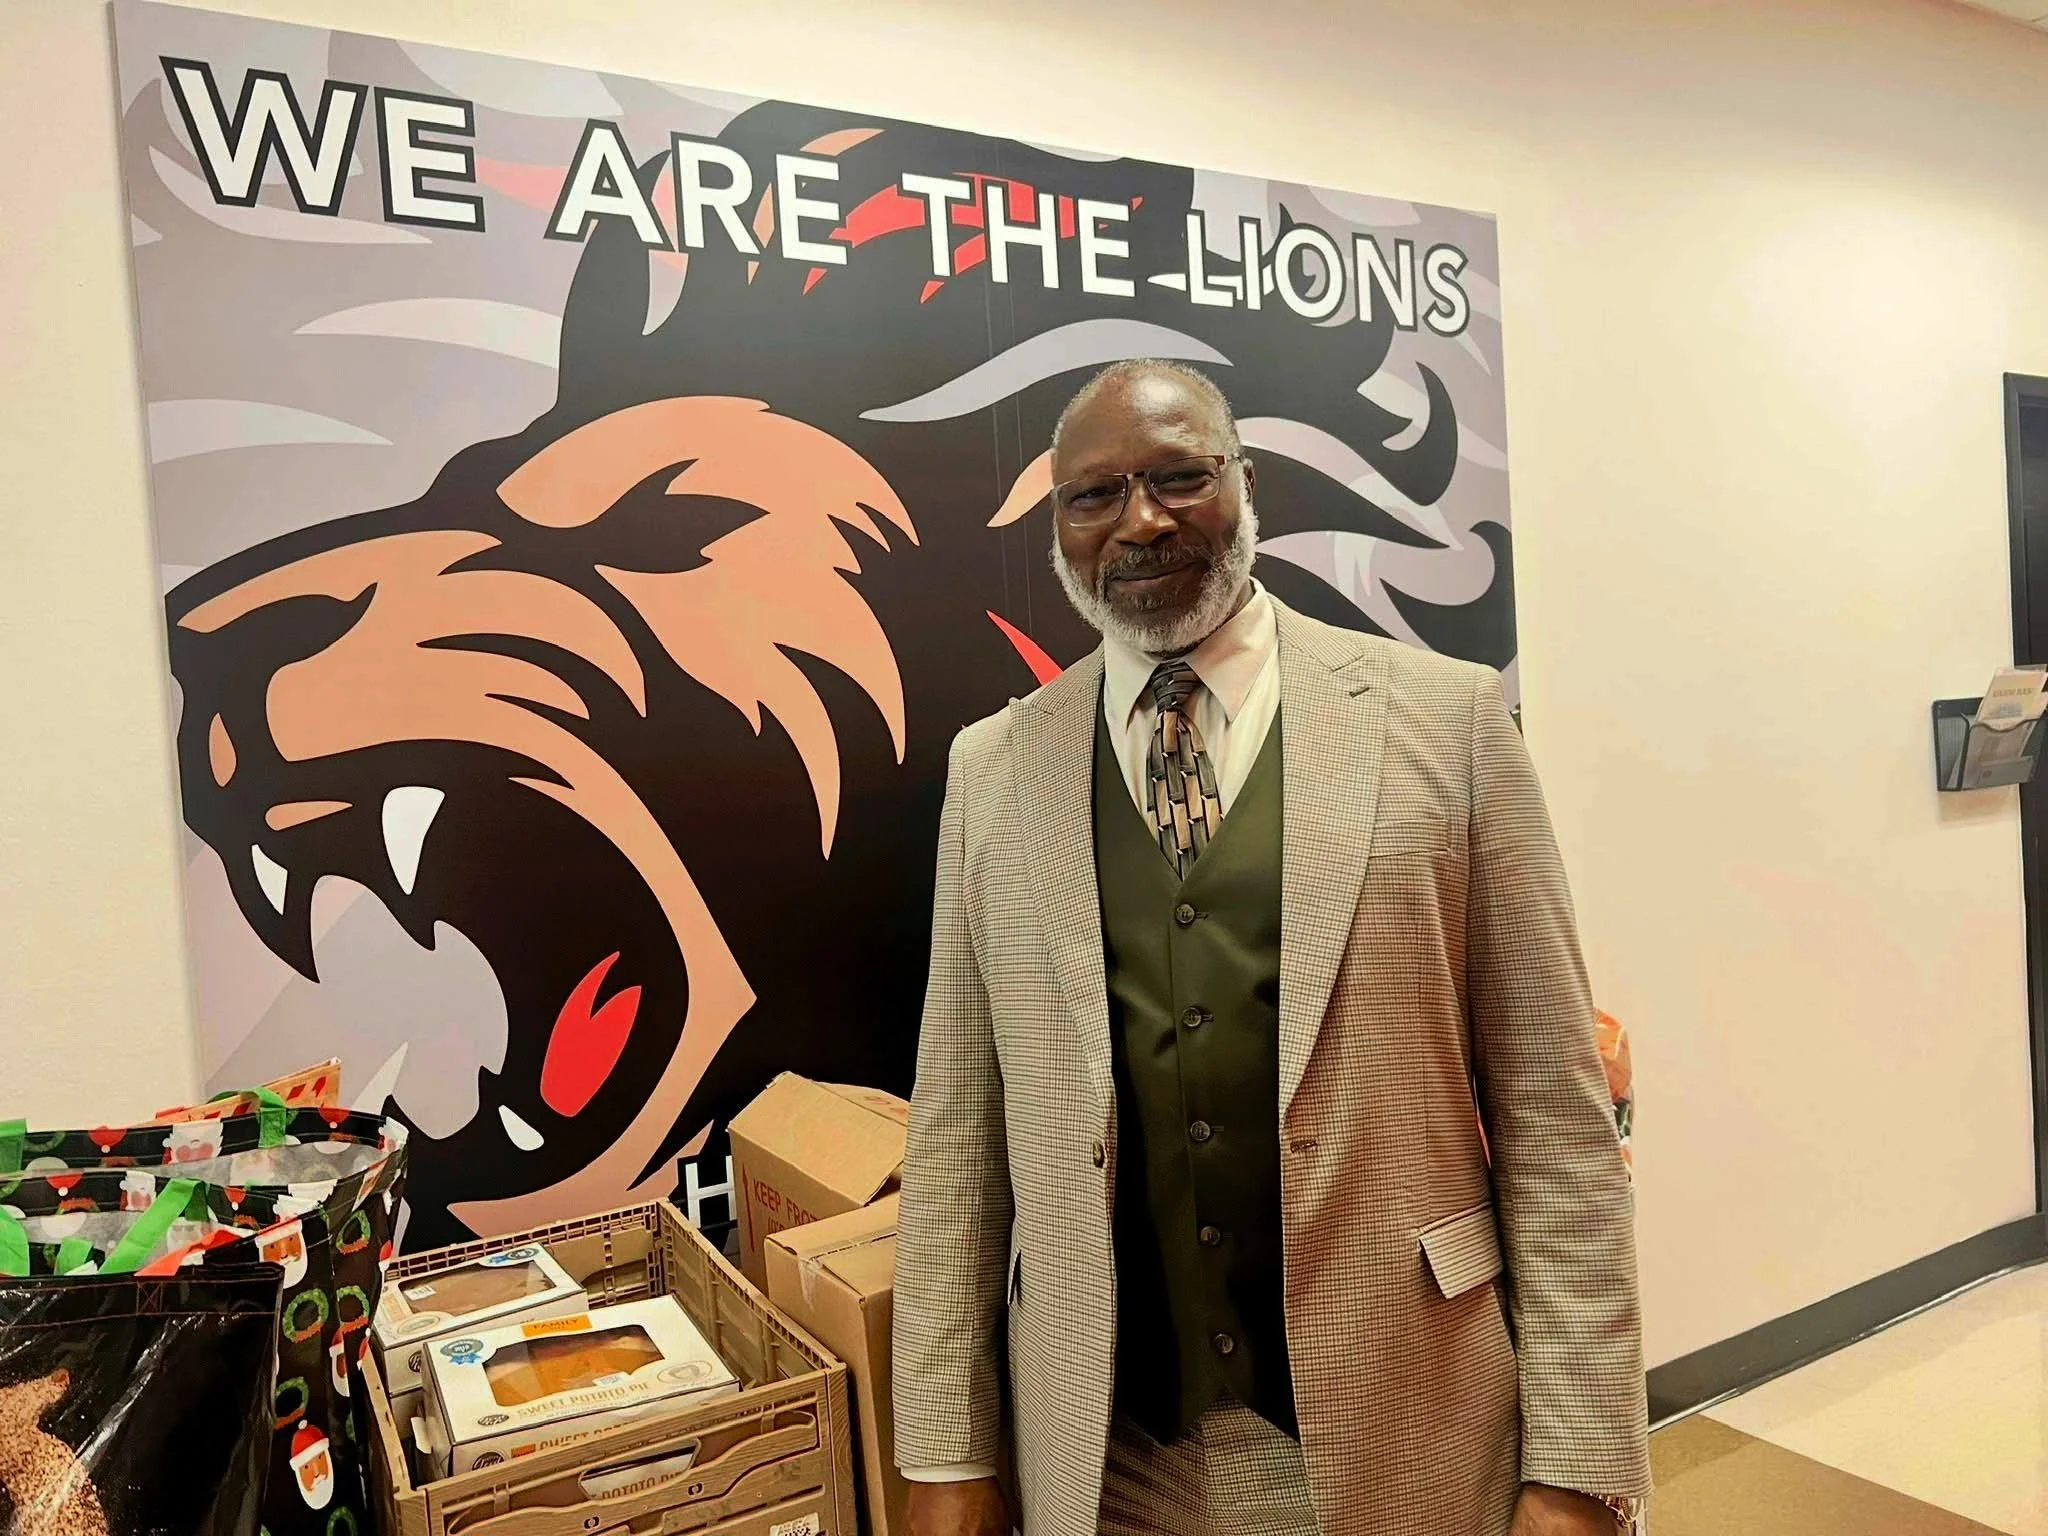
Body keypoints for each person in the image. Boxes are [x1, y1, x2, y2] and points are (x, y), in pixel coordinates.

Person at [891, 360, 1649, 1536]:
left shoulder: (1444, 724)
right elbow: (953, 1140)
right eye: (1093, 496)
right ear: (1058, 530)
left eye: (1177, 477)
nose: (1139, 520)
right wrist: (944, 1447)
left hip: (1401, 1411)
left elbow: (1556, 1115)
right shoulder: (992, 772)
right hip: (1104, 1449)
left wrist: (1580, 1456)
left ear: (1242, 483)